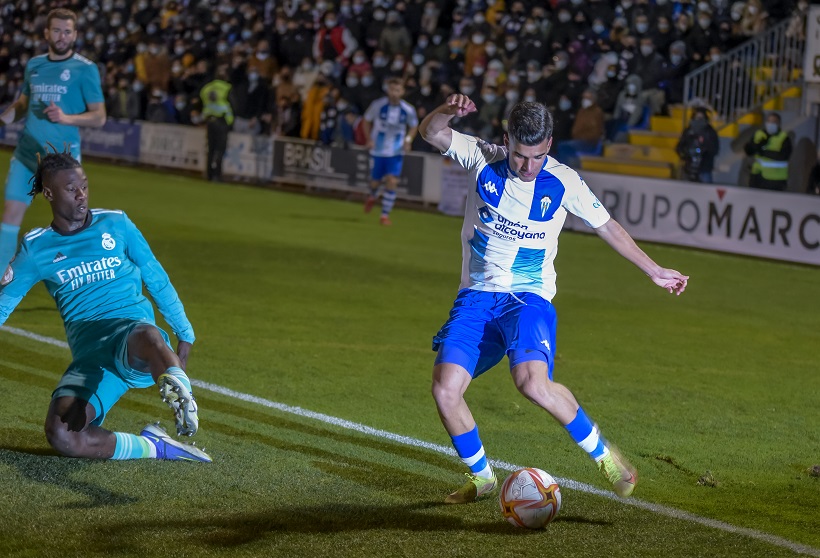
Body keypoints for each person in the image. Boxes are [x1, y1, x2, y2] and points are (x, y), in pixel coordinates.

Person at [418, 95, 688, 504]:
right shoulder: (482, 158)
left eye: (538, 157)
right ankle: (483, 478)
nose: (529, 167)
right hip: (476, 297)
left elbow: (607, 226)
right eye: (521, 156)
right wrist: (445, 110)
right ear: (507, 140)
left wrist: (654, 270)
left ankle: (605, 457)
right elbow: (431, 132)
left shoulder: (564, 181)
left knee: (531, 383)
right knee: (445, 390)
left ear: (549, 146)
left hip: (529, 298)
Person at [0, 147, 210, 463]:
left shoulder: (117, 224)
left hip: (130, 336)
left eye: (84, 186)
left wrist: (185, 332)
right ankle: (155, 446)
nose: (81, 195)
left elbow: (155, 276)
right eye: (71, 190)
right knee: (63, 436)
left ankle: (181, 393)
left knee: (147, 334)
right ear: (49, 193)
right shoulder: (37, 248)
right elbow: (4, 306)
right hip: (91, 357)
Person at [0, 8, 106, 281]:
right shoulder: (35, 65)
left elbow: (99, 116)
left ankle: (84, 277)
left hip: (64, 163)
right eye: (57, 30)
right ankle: (1, 276)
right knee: (11, 213)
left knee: (73, 221)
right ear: (47, 33)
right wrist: (5, 117)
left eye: (67, 31)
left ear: (75, 34)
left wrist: (66, 117)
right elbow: (23, 103)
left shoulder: (85, 69)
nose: (62, 36)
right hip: (27, 155)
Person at [362, 77, 419, 226]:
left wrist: (408, 141)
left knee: (392, 181)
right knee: (375, 182)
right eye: (392, 89)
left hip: (396, 150)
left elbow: (414, 126)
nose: (394, 93)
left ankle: (384, 215)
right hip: (378, 150)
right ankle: (372, 196)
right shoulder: (377, 105)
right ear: (387, 90)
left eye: (397, 90)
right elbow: (366, 120)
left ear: (402, 92)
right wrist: (369, 139)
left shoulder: (408, 109)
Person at [200, 66, 234, 182]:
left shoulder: (207, 88)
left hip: (209, 120)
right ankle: (217, 174)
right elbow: (233, 105)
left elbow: (203, 101)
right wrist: (230, 122)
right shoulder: (227, 88)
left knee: (211, 149)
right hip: (222, 121)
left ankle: (208, 173)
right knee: (220, 149)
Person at [744, 112, 792, 191]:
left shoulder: (784, 138)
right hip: (757, 177)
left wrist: (763, 151)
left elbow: (783, 156)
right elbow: (749, 151)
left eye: (774, 122)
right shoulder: (759, 134)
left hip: (776, 180)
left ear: (779, 124)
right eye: (769, 121)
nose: (770, 124)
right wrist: (752, 146)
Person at [676, 107, 720, 183]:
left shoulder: (710, 132)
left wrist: (704, 149)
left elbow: (715, 150)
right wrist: (687, 152)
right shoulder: (688, 131)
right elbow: (679, 147)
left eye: (701, 118)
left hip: (704, 169)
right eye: (697, 117)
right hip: (688, 168)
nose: (699, 120)